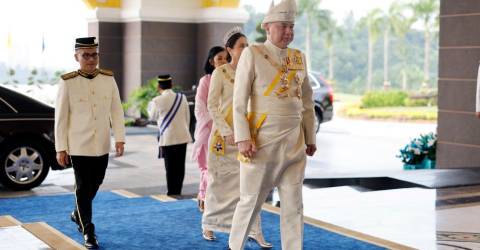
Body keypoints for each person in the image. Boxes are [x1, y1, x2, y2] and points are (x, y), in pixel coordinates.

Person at [228, 0, 317, 249]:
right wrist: (243, 137)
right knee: (251, 200)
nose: (289, 31)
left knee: (294, 203)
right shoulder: (253, 54)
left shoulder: (299, 58)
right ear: (267, 27)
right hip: (260, 142)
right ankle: (235, 246)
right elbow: (239, 100)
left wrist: (310, 137)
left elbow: (307, 101)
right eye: (283, 26)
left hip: (295, 143)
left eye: (292, 26)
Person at [202, 27, 272, 248]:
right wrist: (227, 132)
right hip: (223, 139)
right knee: (219, 185)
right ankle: (209, 223)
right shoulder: (219, 73)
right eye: (241, 45)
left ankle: (255, 231)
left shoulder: (251, 72)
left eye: (247, 44)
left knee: (251, 188)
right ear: (229, 49)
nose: (246, 48)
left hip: (247, 139)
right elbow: (212, 105)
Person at [55, 37, 125, 249]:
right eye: (86, 55)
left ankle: (77, 213)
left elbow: (116, 110)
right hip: (78, 144)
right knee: (83, 187)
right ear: (76, 57)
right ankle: (88, 230)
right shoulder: (67, 81)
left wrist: (120, 138)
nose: (91, 59)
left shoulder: (108, 78)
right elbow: (61, 117)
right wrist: (61, 147)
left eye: (94, 54)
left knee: (96, 182)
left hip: (101, 143)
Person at [192, 46, 227, 212]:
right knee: (208, 167)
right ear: (211, 61)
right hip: (210, 131)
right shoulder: (206, 81)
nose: (223, 61)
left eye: (226, 58)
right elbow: (200, 108)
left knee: (222, 168)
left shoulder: (232, 78)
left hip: (228, 131)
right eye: (219, 58)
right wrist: (216, 124)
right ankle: (203, 196)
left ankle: (215, 200)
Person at [147, 75, 192, 195]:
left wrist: (149, 106)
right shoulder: (182, 98)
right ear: (171, 85)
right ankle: (178, 190)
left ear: (158, 86)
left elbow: (152, 117)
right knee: (180, 166)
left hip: (168, 138)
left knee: (170, 167)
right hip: (182, 136)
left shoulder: (157, 100)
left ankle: (171, 191)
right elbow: (187, 117)